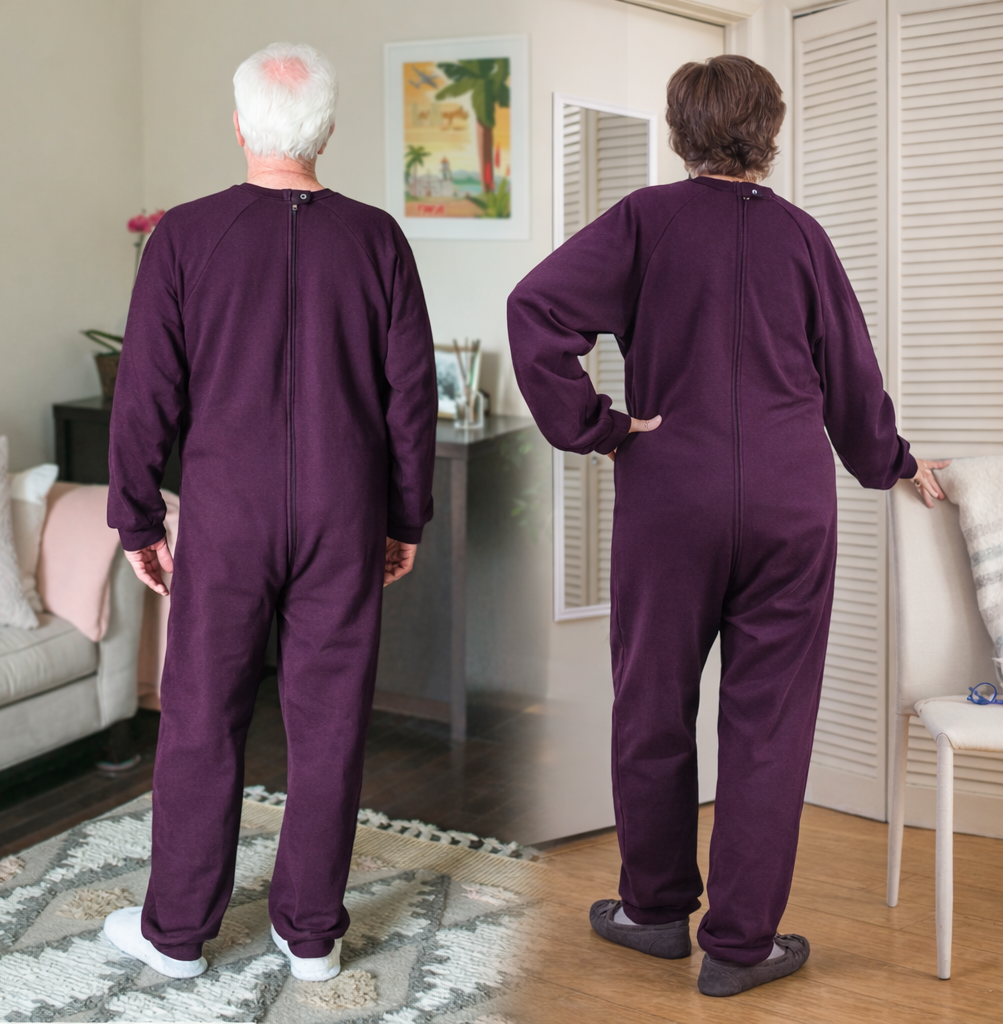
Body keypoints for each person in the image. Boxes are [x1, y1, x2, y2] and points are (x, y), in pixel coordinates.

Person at [507, 55, 948, 997]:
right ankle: (741, 947)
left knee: (652, 702)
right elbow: (854, 381)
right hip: (792, 507)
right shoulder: (802, 237)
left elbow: (534, 308)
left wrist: (602, 428)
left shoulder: (644, 221)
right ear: (769, 130)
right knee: (769, 725)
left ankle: (655, 912)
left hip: (673, 499)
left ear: (679, 130)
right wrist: (894, 462)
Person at [102, 42, 437, 981]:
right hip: (344, 510)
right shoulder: (377, 240)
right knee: (329, 720)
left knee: (202, 717)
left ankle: (175, 937)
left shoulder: (184, 235)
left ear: (242, 125)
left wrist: (138, 517)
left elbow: (145, 394)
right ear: (327, 129)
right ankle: (311, 936)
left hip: (228, 514)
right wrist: (405, 517)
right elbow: (411, 396)